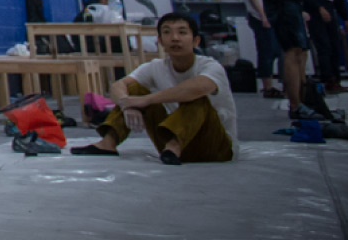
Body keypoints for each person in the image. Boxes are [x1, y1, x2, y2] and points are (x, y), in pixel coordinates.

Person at [70, 12, 237, 163]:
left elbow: (197, 88)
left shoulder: (211, 66)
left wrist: (146, 100)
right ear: (160, 40)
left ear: (196, 41)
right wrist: (126, 104)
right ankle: (108, 144)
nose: (175, 38)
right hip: (169, 148)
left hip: (216, 147)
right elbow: (118, 85)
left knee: (195, 96)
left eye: (182, 32)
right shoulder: (156, 66)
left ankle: (174, 146)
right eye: (167, 32)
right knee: (134, 88)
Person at [241, 0, 283, 98]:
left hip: (271, 14)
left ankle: (278, 83)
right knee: (267, 50)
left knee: (277, 50)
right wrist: (262, 15)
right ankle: (267, 86)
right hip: (259, 16)